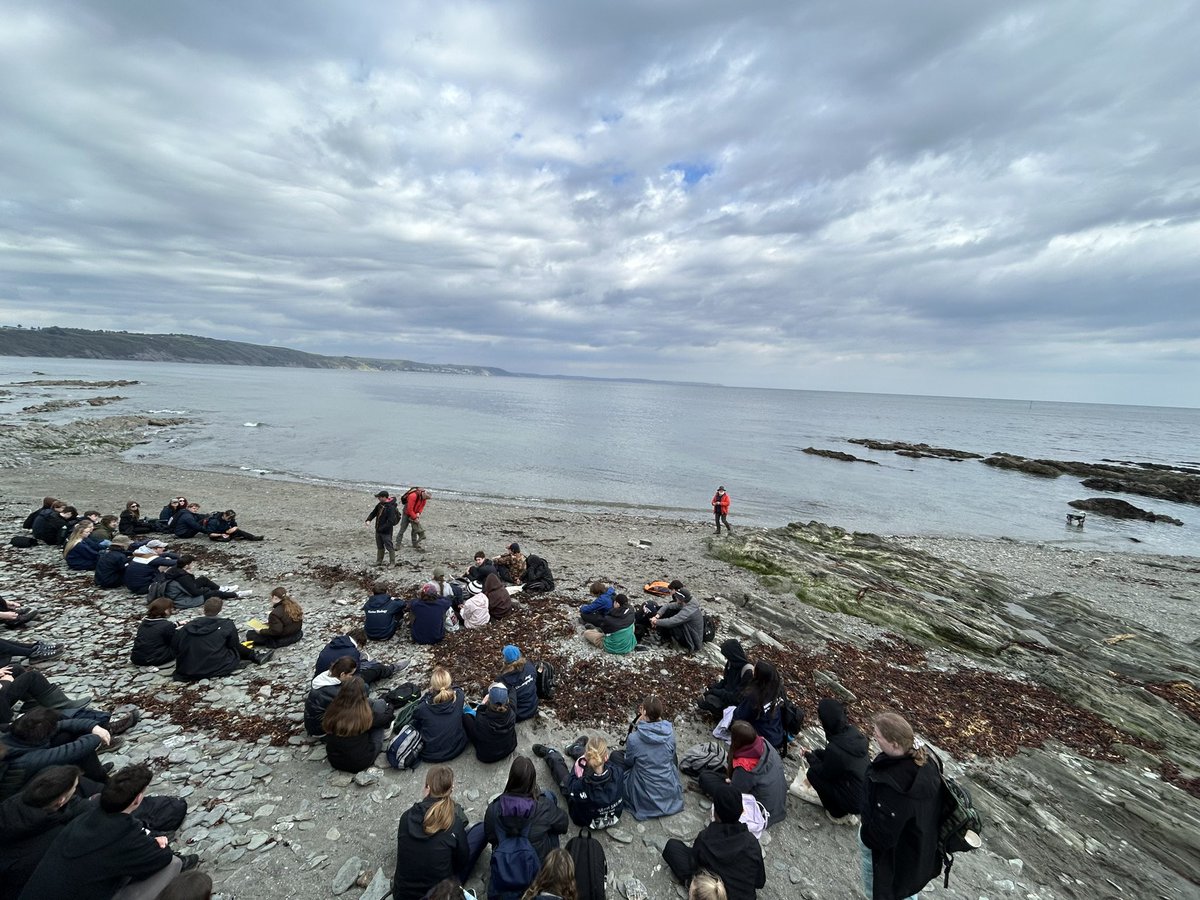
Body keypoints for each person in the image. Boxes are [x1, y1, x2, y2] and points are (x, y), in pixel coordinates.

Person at [18, 763, 197, 900]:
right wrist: (159, 844)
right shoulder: (123, 834)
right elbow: (161, 858)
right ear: (138, 799)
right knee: (172, 863)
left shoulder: (80, 820)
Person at [859, 712, 942, 900]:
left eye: (877, 736)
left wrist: (865, 834)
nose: (874, 738)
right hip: (920, 847)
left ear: (894, 744)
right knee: (908, 888)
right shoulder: (928, 761)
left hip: (897, 853)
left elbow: (881, 838)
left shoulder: (896, 787)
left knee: (886, 888)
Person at [662, 782, 765, 900]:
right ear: (742, 811)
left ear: (715, 814)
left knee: (672, 847)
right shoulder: (752, 842)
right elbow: (759, 882)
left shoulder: (705, 838)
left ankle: (697, 891)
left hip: (712, 892)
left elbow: (693, 866)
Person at [0, 765, 89, 900]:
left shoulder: (14, 803)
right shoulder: (56, 837)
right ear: (61, 801)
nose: (76, 790)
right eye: (74, 788)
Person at [392, 765, 471, 900]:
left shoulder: (406, 817)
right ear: (452, 788)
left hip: (402, 895)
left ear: (427, 787)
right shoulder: (454, 822)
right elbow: (463, 860)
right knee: (477, 831)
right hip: (439, 895)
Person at [0, 708, 113, 800]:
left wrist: (92, 726)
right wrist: (97, 736)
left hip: (26, 776)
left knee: (65, 735)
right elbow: (73, 750)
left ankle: (98, 775)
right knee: (63, 773)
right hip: (20, 797)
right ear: (41, 740)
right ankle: (105, 790)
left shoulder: (15, 734)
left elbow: (60, 725)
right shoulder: (25, 761)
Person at [792, 699, 869, 825]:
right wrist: (815, 753)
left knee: (812, 773)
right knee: (819, 762)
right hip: (864, 793)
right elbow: (834, 759)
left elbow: (824, 772)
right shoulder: (852, 733)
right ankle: (843, 805)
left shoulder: (836, 749)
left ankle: (837, 813)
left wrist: (809, 756)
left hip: (854, 802)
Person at [481, 756, 568, 866]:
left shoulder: (493, 809)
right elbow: (563, 825)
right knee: (549, 797)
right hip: (536, 866)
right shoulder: (544, 806)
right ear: (532, 781)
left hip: (506, 863)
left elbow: (491, 837)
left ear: (511, 779)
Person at [699, 721, 786, 829]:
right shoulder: (764, 744)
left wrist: (732, 780)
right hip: (776, 805)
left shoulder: (746, 766)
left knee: (705, 777)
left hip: (761, 811)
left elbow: (734, 792)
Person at [613, 696, 684, 820]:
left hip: (643, 790)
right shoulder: (670, 733)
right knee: (672, 757)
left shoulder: (634, 738)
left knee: (615, 756)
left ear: (644, 712)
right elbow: (671, 754)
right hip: (666, 786)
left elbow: (629, 762)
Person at [532, 735, 624, 831]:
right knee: (593, 760)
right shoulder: (618, 771)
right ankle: (575, 748)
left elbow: (571, 787)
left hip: (585, 820)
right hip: (614, 816)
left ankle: (552, 754)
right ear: (606, 757)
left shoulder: (581, 785)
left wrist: (576, 771)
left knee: (564, 778)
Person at [171, 597, 272, 681]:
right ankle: (255, 656)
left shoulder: (188, 627)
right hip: (216, 667)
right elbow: (233, 645)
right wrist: (250, 654)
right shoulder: (226, 625)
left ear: (204, 610)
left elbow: (176, 645)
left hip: (187, 669)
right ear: (220, 610)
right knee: (233, 649)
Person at [321, 676, 392, 773]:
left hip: (335, 761)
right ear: (362, 694)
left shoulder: (332, 710)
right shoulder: (363, 715)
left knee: (371, 705)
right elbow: (385, 718)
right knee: (380, 705)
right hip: (361, 762)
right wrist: (390, 707)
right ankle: (386, 731)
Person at [412, 667, 468, 763]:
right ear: (449, 683)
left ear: (433, 686)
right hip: (457, 749)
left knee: (416, 722)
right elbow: (457, 689)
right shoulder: (459, 697)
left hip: (431, 755)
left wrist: (427, 694)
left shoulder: (423, 707)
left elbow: (415, 714)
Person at [733, 662, 786, 753]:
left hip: (763, 740)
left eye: (755, 670)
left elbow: (739, 716)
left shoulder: (755, 695)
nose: (752, 669)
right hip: (778, 735)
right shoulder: (778, 689)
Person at [313, 628, 399, 684]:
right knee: (376, 668)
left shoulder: (332, 643)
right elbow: (355, 673)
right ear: (359, 643)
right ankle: (391, 669)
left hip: (320, 678)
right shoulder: (353, 652)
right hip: (337, 683)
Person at [304, 656, 360, 737]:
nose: (353, 677)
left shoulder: (324, 678)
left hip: (312, 723)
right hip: (321, 729)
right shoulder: (334, 692)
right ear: (343, 674)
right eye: (351, 674)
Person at [462, 683, 517, 764]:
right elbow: (512, 696)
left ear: (488, 700)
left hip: (486, 756)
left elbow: (478, 717)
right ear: (507, 700)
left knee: (466, 717)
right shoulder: (512, 712)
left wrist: (482, 705)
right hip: (510, 747)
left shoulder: (481, 718)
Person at [162, 555, 241, 610]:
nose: (194, 565)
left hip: (181, 592)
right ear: (186, 565)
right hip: (182, 599)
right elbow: (194, 592)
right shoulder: (183, 576)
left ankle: (223, 589)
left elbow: (189, 584)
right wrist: (206, 590)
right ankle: (236, 594)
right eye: (192, 563)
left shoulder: (175, 570)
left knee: (203, 579)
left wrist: (189, 575)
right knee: (212, 593)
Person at [698, 640, 754, 717]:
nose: (725, 658)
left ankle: (725, 717)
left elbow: (737, 698)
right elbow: (725, 682)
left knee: (707, 700)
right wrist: (711, 687)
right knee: (701, 700)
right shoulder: (730, 664)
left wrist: (715, 692)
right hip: (726, 695)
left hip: (735, 704)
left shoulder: (747, 671)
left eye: (727, 656)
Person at [650, 588, 705, 652]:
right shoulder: (687, 603)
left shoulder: (689, 610)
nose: (676, 599)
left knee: (671, 625)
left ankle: (664, 639)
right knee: (670, 611)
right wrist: (657, 616)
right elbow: (668, 605)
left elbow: (671, 622)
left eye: (677, 597)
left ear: (681, 599)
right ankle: (664, 636)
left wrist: (655, 622)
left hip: (692, 640)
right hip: (688, 630)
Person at [130, 598, 178, 667]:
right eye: (171, 608)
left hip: (137, 658)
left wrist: (176, 624)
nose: (172, 610)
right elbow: (172, 641)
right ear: (166, 611)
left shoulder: (144, 622)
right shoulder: (167, 625)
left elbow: (158, 629)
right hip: (154, 659)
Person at [497, 645, 538, 721]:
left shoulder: (503, 679)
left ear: (505, 660)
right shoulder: (529, 666)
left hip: (519, 714)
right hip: (533, 706)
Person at [366, 490, 400, 567]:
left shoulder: (390, 507)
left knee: (389, 546)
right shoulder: (380, 505)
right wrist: (368, 519)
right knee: (380, 546)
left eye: (380, 497)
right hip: (378, 529)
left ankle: (392, 562)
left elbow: (390, 521)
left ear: (384, 497)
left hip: (386, 531)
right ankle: (379, 561)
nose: (378, 498)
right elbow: (374, 513)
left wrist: (382, 528)